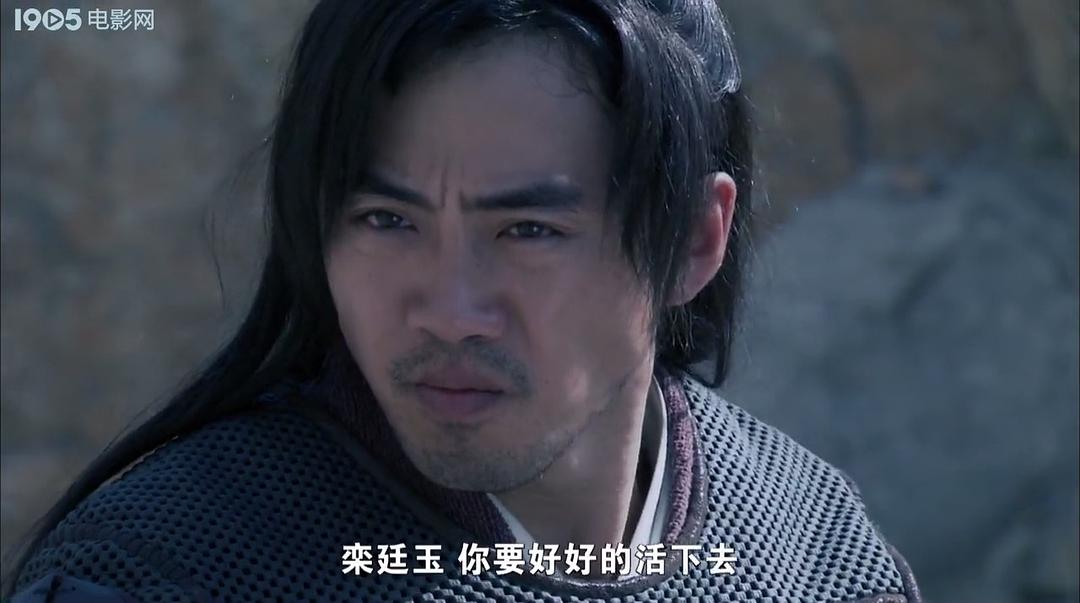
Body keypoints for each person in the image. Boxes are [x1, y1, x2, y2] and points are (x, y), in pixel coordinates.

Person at [5, 1, 921, 601]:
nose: (448, 311)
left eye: (527, 230)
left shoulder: (815, 552)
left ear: (692, 238)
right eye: (386, 219)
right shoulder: (162, 569)